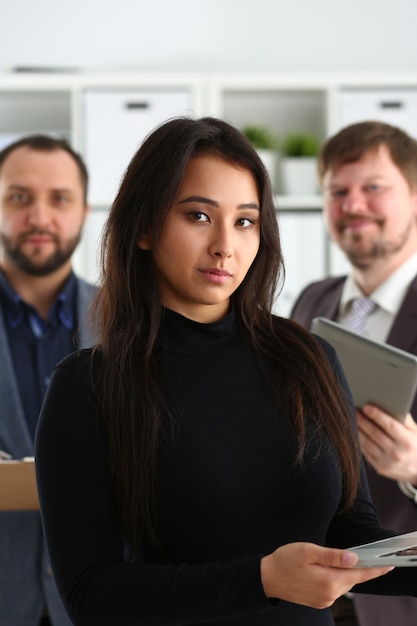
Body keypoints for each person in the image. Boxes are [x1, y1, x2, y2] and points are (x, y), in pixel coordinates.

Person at [35, 116, 417, 626]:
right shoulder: (87, 386)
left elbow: (353, 530)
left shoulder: (309, 358)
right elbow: (90, 595)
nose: (225, 246)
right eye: (198, 216)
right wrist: (262, 580)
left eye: (244, 221)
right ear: (145, 227)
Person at [290, 120, 417, 626]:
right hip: (309, 591)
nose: (353, 204)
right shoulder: (311, 301)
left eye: (373, 188)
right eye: (337, 191)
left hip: (399, 602)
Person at [0, 134, 97, 626]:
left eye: (59, 199)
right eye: (19, 198)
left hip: (101, 601)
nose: (39, 217)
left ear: (83, 210)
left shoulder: (132, 324)